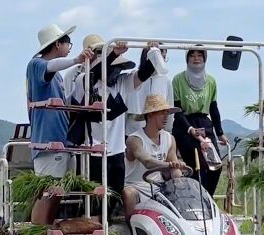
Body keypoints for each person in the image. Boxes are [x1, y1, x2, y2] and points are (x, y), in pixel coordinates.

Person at [26, 24, 94, 235]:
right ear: (58, 44)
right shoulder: (37, 65)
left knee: (53, 197)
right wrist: (77, 60)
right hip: (47, 145)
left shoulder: (54, 76)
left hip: (58, 144)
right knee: (46, 196)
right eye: (68, 44)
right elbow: (52, 65)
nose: (69, 49)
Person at [69, 35, 159, 218]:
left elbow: (144, 73)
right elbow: (93, 77)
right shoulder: (83, 81)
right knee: (91, 203)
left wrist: (149, 52)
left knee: (112, 200)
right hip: (91, 152)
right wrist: (111, 55)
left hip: (116, 152)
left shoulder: (121, 83)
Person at [172, 46, 228, 196]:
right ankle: (194, 199)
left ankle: (207, 198)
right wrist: (190, 129)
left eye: (200, 55)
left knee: (215, 166)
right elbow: (177, 110)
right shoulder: (178, 80)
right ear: (187, 58)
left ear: (204, 58)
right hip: (184, 124)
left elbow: (213, 108)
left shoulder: (210, 81)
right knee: (196, 166)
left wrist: (220, 132)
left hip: (204, 123)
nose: (196, 59)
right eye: (192, 55)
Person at [123, 94, 186, 220]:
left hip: (159, 187)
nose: (166, 117)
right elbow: (147, 162)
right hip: (136, 186)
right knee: (128, 194)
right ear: (150, 115)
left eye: (167, 113)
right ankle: (130, 227)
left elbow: (174, 165)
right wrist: (170, 165)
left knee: (179, 186)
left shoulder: (169, 138)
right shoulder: (134, 139)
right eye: (162, 113)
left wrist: (178, 176)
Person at [125, 42, 173, 136]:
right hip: (133, 131)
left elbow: (169, 108)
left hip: (157, 132)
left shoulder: (166, 80)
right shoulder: (133, 77)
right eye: (159, 57)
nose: (161, 61)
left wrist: (167, 131)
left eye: (163, 58)